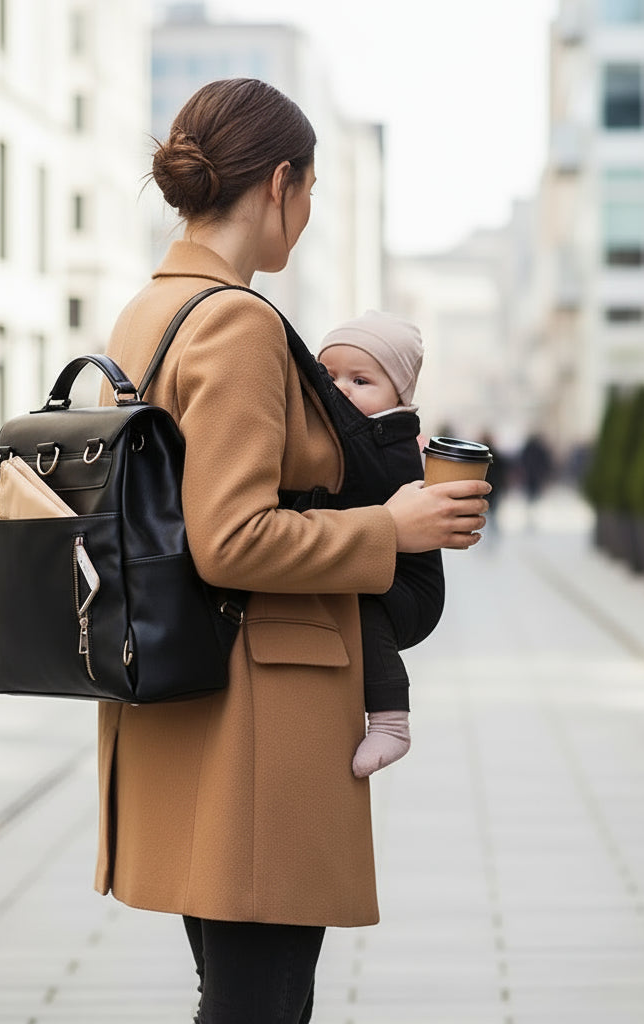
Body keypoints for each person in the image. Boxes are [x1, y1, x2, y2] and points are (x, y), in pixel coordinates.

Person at [94, 78, 490, 1024]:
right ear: (280, 183)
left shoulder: (151, 309)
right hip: (257, 716)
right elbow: (231, 537)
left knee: (234, 993)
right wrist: (390, 530)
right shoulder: (236, 320)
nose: (307, 215)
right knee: (262, 1004)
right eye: (310, 192)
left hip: (182, 696)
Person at [317, 311, 444, 778]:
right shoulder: (352, 431)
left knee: (363, 609)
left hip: (406, 589)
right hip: (374, 564)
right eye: (328, 376)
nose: (341, 389)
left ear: (398, 397)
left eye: (361, 380)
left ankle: (391, 721)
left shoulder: (390, 443)